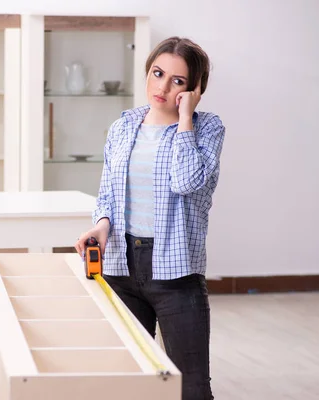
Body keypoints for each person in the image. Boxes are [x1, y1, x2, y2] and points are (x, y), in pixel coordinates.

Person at [75, 36, 225, 400]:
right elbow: (108, 194)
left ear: (195, 88)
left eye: (178, 81)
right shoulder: (123, 126)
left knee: (191, 387)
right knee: (127, 383)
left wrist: (185, 118)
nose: (162, 87)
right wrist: (101, 225)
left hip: (176, 275)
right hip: (120, 267)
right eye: (157, 73)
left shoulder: (207, 128)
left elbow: (187, 181)